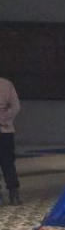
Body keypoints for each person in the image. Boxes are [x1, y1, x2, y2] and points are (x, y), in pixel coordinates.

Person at [0, 75, 17, 205]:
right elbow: (16, 106)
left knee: (8, 162)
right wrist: (4, 118)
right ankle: (14, 195)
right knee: (8, 163)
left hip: (5, 129)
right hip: (6, 129)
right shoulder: (6, 84)